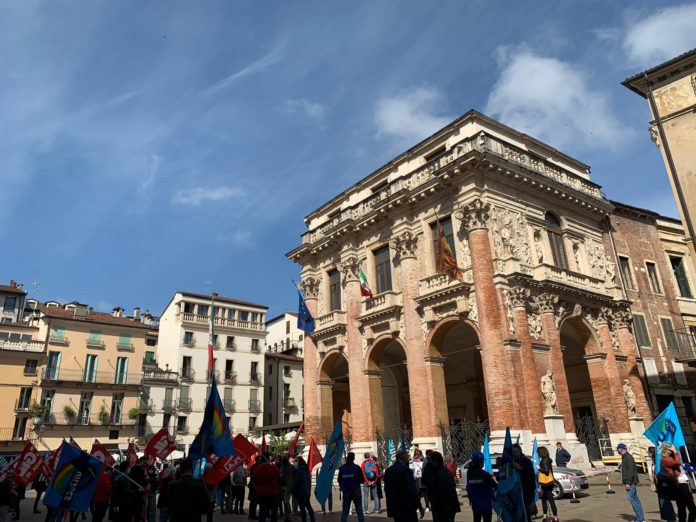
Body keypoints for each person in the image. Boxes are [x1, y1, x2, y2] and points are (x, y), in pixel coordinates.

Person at [661, 444, 695, 522]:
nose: (675, 449)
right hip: (679, 484)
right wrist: (675, 452)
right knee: (690, 509)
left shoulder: (671, 458)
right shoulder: (665, 459)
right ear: (668, 450)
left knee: (683, 509)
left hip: (682, 483)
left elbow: (677, 467)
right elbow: (677, 463)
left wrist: (684, 471)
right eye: (673, 448)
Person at [384, 449, 420, 522]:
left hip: (395, 505)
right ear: (403, 457)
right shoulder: (405, 470)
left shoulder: (389, 470)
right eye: (407, 456)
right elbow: (411, 490)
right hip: (407, 506)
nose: (408, 458)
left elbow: (386, 489)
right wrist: (419, 505)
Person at [423, 452, 460, 522]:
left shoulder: (439, 474)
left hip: (444, 507)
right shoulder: (443, 471)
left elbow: (440, 492)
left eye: (431, 461)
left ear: (434, 462)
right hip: (447, 506)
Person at [465, 451, 496, 522]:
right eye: (482, 461)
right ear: (480, 463)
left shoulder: (469, 474)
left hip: (475, 504)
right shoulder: (485, 475)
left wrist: (471, 500)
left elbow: (469, 488)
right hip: (486, 505)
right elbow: (495, 485)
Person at [618, 443, 645, 522]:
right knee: (635, 499)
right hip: (630, 482)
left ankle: (639, 519)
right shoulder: (625, 457)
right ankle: (641, 518)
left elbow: (631, 471)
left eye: (618, 449)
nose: (617, 450)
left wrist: (628, 483)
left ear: (621, 449)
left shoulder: (628, 457)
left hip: (631, 482)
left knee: (631, 499)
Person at [253, 454, 282, 522]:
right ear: (268, 459)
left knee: (262, 511)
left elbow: (254, 479)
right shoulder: (273, 467)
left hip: (261, 493)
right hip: (272, 493)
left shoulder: (257, 469)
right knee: (274, 510)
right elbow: (279, 475)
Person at [338, 452, 365, 522]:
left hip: (346, 491)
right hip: (356, 491)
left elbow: (339, 480)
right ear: (353, 458)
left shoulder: (341, 468)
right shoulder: (357, 468)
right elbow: (362, 480)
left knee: (345, 511)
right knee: (359, 511)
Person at [537, 446, 558, 522]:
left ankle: (550, 517)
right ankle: (549, 516)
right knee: (548, 499)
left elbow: (546, 471)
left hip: (545, 483)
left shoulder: (544, 461)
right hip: (550, 482)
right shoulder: (548, 460)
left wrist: (539, 468)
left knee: (546, 500)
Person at [292, 457, 315, 522]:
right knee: (308, 506)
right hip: (307, 491)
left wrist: (293, 490)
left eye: (295, 461)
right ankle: (313, 519)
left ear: (299, 461)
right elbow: (309, 481)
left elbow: (296, 481)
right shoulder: (306, 469)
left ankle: (304, 520)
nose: (294, 462)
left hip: (300, 492)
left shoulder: (299, 470)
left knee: (302, 508)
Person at [280, 455, 295, 522]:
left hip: (288, 486)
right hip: (282, 486)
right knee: (284, 502)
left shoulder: (291, 467)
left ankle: (289, 515)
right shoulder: (281, 467)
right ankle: (286, 516)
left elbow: (294, 477)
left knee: (286, 502)